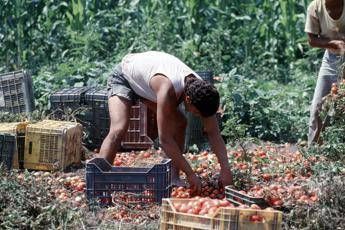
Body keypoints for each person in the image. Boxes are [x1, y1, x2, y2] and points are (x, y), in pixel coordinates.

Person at [100, 51, 233, 194]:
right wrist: (190, 174)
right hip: (124, 76)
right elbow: (165, 140)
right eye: (196, 112)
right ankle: (98, 179)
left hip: (147, 80)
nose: (197, 116)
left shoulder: (202, 92)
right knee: (119, 128)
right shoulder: (168, 90)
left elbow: (213, 132)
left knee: (180, 122)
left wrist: (225, 169)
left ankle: (173, 177)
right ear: (188, 100)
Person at [305, 0, 345, 146]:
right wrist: (332, 44)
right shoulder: (316, 7)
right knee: (318, 107)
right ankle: (314, 152)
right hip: (331, 57)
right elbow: (312, 40)